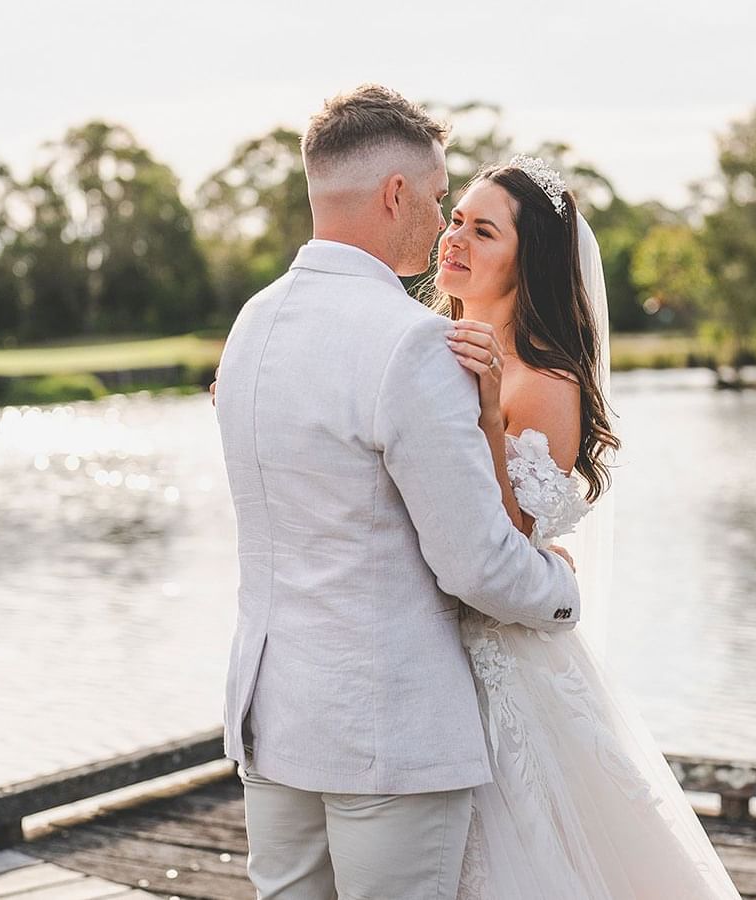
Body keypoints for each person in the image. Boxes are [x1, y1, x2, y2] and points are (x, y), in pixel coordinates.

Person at [213, 85, 580, 900]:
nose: (441, 216)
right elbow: (475, 564)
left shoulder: (251, 325)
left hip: (271, 721)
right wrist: (562, 590)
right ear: (395, 194)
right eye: (441, 197)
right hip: (387, 731)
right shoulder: (411, 343)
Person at [439, 157, 741, 898]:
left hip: (500, 658)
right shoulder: (428, 347)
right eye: (455, 221)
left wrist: (485, 410)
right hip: (429, 651)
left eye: (483, 231)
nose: (456, 240)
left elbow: (503, 540)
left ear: (525, 261)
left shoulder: (545, 382)